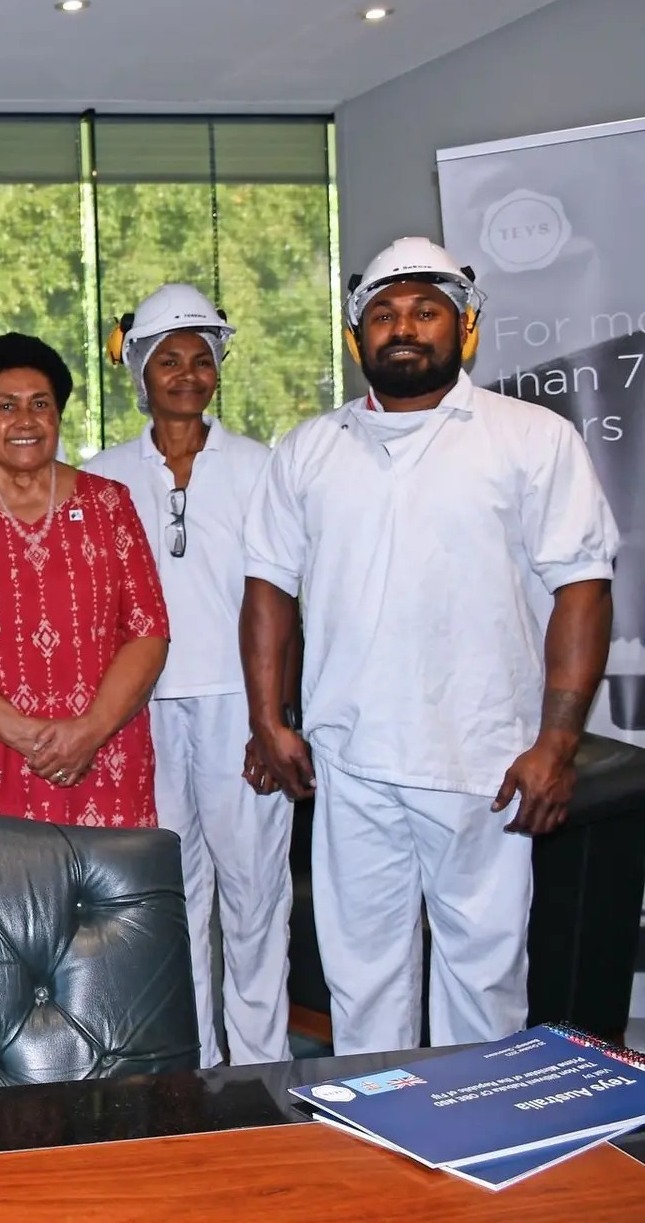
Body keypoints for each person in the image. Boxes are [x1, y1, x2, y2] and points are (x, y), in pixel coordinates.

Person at [243, 237, 617, 1053]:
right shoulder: (310, 450)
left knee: (482, 984)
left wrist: (557, 743)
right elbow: (268, 587)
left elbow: (583, 588)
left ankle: (471, 1151)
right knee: (360, 981)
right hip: (351, 764)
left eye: (425, 311)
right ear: (357, 337)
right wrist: (268, 721)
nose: (403, 328)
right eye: (383, 314)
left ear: (465, 327)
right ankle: (379, 1157)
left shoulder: (531, 438)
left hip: (482, 764)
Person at [83, 285, 290, 1068]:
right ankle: (193, 1069)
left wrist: (276, 719)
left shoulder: (262, 468)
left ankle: (264, 1068)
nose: (186, 374)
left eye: (200, 359)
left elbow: (284, 602)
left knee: (255, 895)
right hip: (141, 712)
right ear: (138, 371)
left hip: (242, 709)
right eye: (167, 359)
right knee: (172, 897)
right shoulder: (100, 478)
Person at [0, 334, 169, 826]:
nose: (25, 420)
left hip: (101, 756)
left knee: (110, 898)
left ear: (57, 417)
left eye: (40, 404)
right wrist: (29, 737)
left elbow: (148, 631)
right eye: (6, 406)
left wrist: (89, 731)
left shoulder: (110, 506)